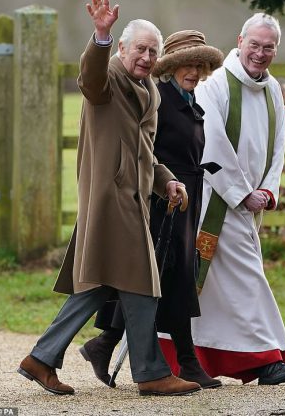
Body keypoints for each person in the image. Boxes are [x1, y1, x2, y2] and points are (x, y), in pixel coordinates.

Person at [17, 0, 201, 397]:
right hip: (109, 200)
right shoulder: (109, 77)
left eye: (153, 51)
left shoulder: (150, 91)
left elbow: (146, 154)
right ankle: (151, 372)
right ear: (121, 48)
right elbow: (89, 77)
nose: (147, 57)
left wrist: (167, 179)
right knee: (143, 283)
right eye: (140, 49)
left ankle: (41, 358)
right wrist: (99, 36)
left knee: (102, 285)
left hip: (134, 201)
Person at [162, 13, 285, 385]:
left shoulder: (272, 89)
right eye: (254, 44)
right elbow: (212, 144)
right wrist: (242, 193)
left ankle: (184, 357)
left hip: (250, 202)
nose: (260, 53)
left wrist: (268, 191)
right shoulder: (217, 84)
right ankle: (265, 359)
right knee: (246, 277)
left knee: (212, 290)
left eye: (268, 47)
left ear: (276, 50)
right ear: (240, 41)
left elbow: (278, 145)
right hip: (215, 200)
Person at [79, 30, 224, 389]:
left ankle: (104, 343)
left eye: (200, 65)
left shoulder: (188, 99)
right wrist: (161, 185)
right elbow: (144, 150)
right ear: (171, 67)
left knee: (168, 278)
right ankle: (181, 362)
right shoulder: (160, 98)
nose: (194, 71)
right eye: (187, 64)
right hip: (159, 202)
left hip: (185, 196)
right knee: (157, 279)